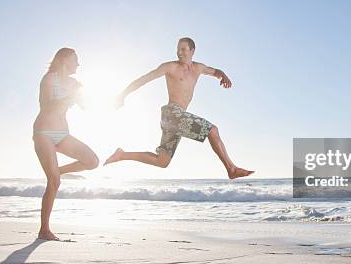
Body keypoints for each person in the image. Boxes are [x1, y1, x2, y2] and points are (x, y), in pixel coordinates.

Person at [104, 37, 254, 180]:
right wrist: (122, 95)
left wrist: (224, 76)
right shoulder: (170, 67)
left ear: (192, 50)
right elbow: (145, 79)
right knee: (212, 130)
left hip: (178, 118)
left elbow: (216, 72)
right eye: (178, 50)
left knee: (162, 162)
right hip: (172, 113)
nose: (179, 53)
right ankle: (231, 169)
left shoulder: (198, 68)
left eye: (183, 49)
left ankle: (122, 155)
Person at [32, 48, 99, 240]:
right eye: (75, 60)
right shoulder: (49, 79)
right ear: (64, 60)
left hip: (62, 134)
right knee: (54, 182)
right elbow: (48, 105)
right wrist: (72, 96)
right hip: (43, 132)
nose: (78, 64)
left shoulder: (74, 83)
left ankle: (57, 170)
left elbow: (88, 107)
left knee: (92, 161)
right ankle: (44, 230)